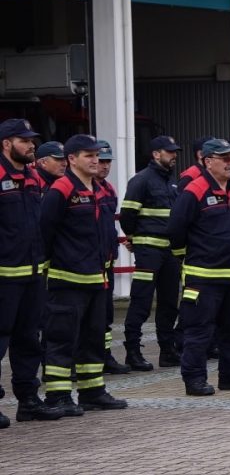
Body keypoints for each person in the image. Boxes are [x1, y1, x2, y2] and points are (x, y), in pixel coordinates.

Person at [38, 134, 128, 414]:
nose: (95, 160)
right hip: (67, 280)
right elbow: (44, 230)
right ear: (72, 159)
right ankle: (58, 395)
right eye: (88, 155)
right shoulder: (61, 189)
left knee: (93, 337)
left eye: (96, 155)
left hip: (97, 279)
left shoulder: (100, 189)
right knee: (62, 338)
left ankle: (92, 391)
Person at [170, 139, 230, 397]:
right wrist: (188, 258)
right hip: (204, 277)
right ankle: (194, 378)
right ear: (208, 161)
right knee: (199, 331)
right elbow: (176, 229)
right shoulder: (194, 190)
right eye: (224, 158)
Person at [0, 118, 63, 424]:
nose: (31, 145)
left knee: (29, 340)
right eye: (24, 141)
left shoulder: (34, 178)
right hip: (4, 276)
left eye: (32, 140)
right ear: (6, 144)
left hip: (33, 274)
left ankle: (28, 400)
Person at [119, 135, 183, 371]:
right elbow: (127, 216)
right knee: (141, 301)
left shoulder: (171, 182)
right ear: (156, 154)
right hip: (148, 253)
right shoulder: (141, 180)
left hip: (169, 253)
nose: (174, 155)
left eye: (174, 151)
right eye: (169, 152)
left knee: (168, 301)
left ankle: (167, 352)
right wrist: (135, 239)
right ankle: (132, 352)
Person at [92, 140, 130, 374]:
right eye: (101, 161)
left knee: (105, 314)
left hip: (106, 262)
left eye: (108, 162)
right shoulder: (79, 189)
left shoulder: (108, 189)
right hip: (86, 265)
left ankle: (104, 355)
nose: (105, 166)